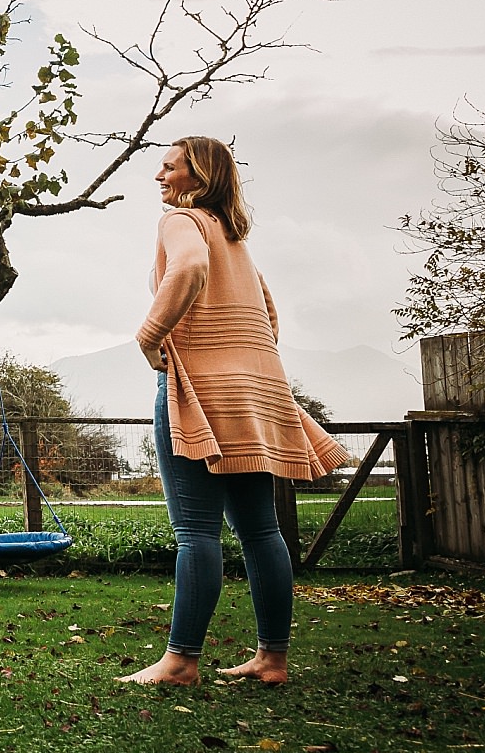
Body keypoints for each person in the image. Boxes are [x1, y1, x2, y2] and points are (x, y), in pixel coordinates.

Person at [120, 137, 349, 687]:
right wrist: (245, 360)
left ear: (196, 177)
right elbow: (269, 311)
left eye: (169, 166)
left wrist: (150, 337)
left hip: (198, 389)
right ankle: (273, 659)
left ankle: (180, 661)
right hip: (255, 391)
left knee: (195, 532)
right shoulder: (235, 237)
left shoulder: (183, 222)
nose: (159, 176)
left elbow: (189, 269)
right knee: (260, 530)